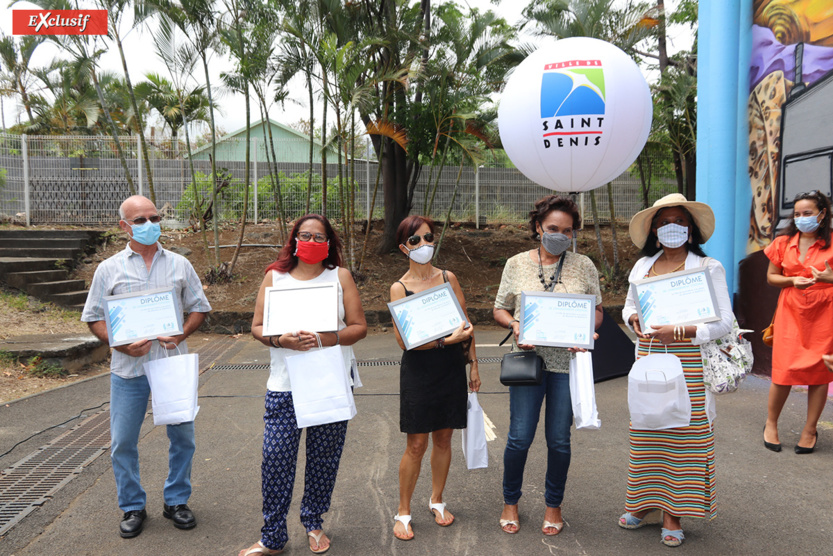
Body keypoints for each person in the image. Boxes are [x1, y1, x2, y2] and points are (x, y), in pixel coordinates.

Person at [81, 195, 212, 539]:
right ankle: (132, 505)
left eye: (153, 217)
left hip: (171, 365)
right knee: (123, 442)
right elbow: (94, 317)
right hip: (128, 370)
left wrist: (181, 333)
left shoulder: (180, 265)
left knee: (183, 437)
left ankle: (177, 500)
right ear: (124, 226)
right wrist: (120, 343)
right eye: (139, 220)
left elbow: (199, 307)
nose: (149, 224)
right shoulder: (108, 269)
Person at [243, 214, 367, 556]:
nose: (312, 241)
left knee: (323, 459)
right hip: (285, 386)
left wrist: (326, 339)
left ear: (329, 243)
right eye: (305, 235)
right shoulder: (275, 277)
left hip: (329, 381)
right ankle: (273, 536)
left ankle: (313, 521)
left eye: (319, 236)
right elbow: (257, 327)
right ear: (293, 239)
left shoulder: (339, 276)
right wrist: (281, 340)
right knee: (276, 458)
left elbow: (359, 326)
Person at [620, 193, 733, 548]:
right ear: (655, 229)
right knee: (647, 434)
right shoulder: (642, 268)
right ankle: (642, 504)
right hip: (650, 358)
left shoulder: (707, 267)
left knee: (683, 439)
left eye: (680, 221)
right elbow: (628, 307)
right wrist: (634, 317)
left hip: (690, 365)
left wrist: (683, 331)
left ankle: (673, 513)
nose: (672, 227)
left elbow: (724, 322)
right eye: (665, 221)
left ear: (691, 229)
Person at [493, 195, 603, 537]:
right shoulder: (515, 264)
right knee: (519, 438)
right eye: (553, 228)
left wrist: (588, 331)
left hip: (567, 365)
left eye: (567, 231)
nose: (560, 235)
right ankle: (510, 501)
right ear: (539, 227)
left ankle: (553, 505)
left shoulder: (584, 265)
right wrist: (514, 325)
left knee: (559, 441)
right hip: (529, 361)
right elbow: (499, 308)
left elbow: (597, 311)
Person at [389, 215, 480, 541]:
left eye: (428, 237)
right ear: (404, 247)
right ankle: (403, 512)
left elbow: (466, 325)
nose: (424, 244)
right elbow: (404, 341)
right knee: (416, 444)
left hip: (450, 368)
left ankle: (437, 500)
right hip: (419, 372)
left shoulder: (447, 278)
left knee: (444, 438)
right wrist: (447, 341)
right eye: (415, 240)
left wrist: (473, 364)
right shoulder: (399, 288)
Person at [763, 190, 833, 455]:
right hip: (791, 312)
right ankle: (771, 424)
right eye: (797, 214)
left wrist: (830, 279)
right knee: (782, 372)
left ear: (822, 214)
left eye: (808, 213)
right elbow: (772, 277)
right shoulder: (783, 243)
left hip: (825, 314)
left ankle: (810, 430)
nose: (802, 218)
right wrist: (792, 280)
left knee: (819, 373)